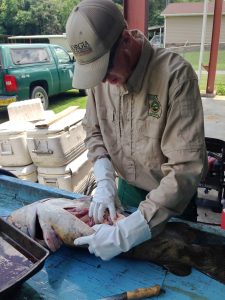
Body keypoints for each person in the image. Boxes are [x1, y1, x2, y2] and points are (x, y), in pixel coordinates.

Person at [66, 0, 208, 261]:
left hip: (172, 203)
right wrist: (105, 178)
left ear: (126, 40)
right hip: (126, 191)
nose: (104, 80)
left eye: (106, 68)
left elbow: (186, 167)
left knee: (182, 272)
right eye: (96, 73)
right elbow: (94, 131)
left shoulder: (175, 76)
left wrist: (129, 233)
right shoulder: (101, 82)